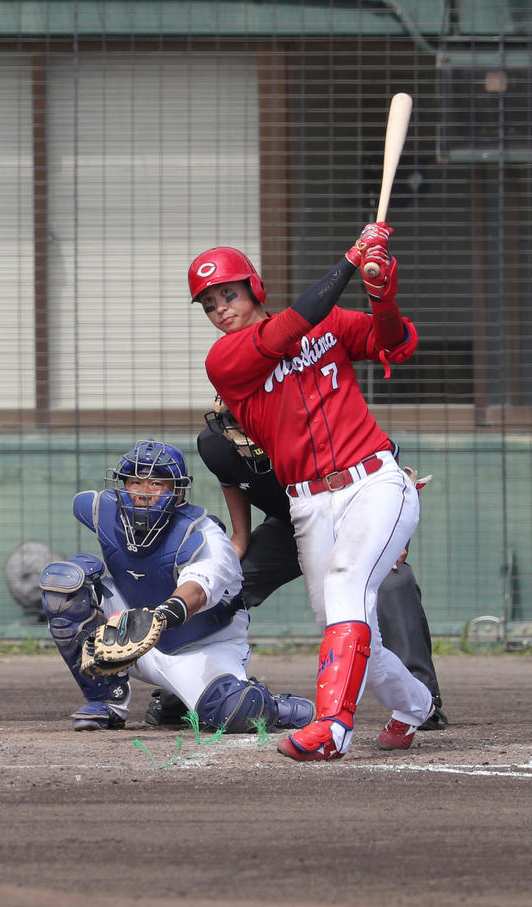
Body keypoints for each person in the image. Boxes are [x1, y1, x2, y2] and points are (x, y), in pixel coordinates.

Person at [190, 224, 436, 761]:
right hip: (308, 504)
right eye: (209, 304)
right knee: (343, 629)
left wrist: (381, 294)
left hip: (374, 480)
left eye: (228, 294)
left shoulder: (328, 324)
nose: (220, 309)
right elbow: (285, 335)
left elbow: (395, 343)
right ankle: (414, 704)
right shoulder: (226, 360)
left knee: (349, 585)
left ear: (254, 287)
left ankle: (332, 728)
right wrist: (351, 261)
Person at [196, 397, 447, 730]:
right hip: (291, 526)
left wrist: (395, 540)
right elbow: (233, 482)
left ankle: (422, 698)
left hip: (350, 520)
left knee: (394, 583)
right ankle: (192, 692)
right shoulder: (215, 443)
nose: (240, 425)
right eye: (234, 417)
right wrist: (239, 540)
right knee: (227, 583)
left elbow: (388, 477)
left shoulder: (316, 425)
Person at [39, 439, 314, 734]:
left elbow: (195, 591)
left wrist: (157, 619)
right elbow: (82, 502)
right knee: (64, 582)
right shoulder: (103, 511)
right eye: (135, 482)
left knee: (235, 711)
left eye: (157, 483)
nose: (144, 493)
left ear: (178, 491)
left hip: (202, 647)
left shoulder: (204, 535)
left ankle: (272, 705)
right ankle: (107, 700)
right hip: (131, 638)